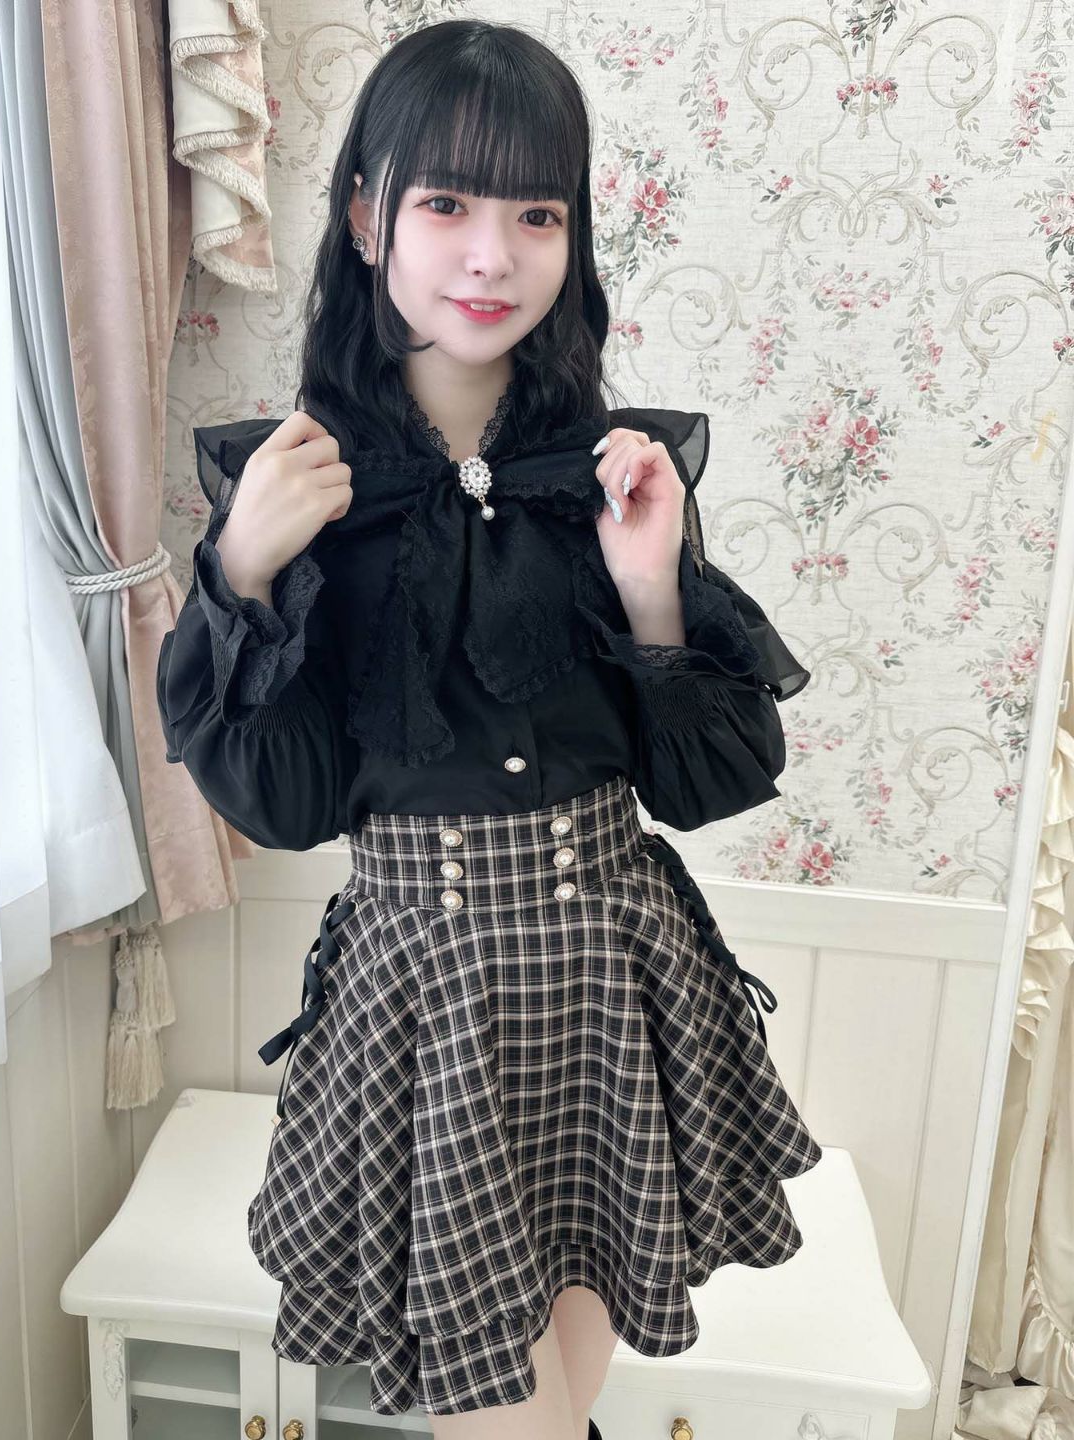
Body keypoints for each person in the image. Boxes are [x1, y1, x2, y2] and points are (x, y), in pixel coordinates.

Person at [156, 19, 822, 1440]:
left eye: (537, 214)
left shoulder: (610, 472)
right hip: (428, 999)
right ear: (366, 219)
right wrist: (244, 575)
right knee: (508, 1416)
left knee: (562, 1396)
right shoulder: (297, 483)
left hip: (614, 977)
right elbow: (286, 803)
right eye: (448, 203)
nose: (491, 256)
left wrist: (652, 591)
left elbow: (709, 778)